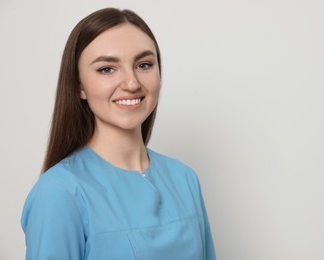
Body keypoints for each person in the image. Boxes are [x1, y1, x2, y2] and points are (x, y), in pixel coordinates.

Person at [21, 8, 216, 260]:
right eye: (107, 69)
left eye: (144, 65)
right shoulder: (58, 194)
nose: (132, 83)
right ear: (79, 85)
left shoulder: (185, 179)